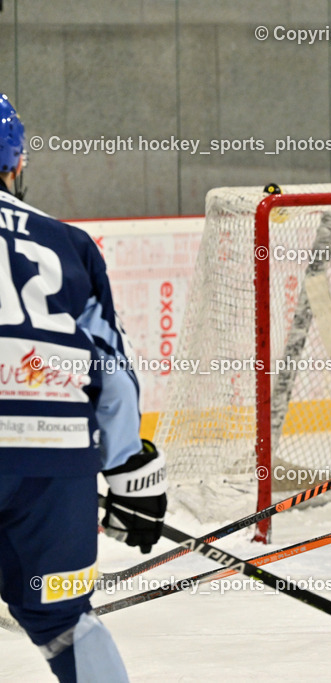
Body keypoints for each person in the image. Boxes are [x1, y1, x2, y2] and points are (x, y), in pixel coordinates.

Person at [0, 93, 167, 682]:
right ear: (16, 165)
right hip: (54, 466)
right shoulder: (67, 243)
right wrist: (130, 475)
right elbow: (113, 379)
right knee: (64, 622)